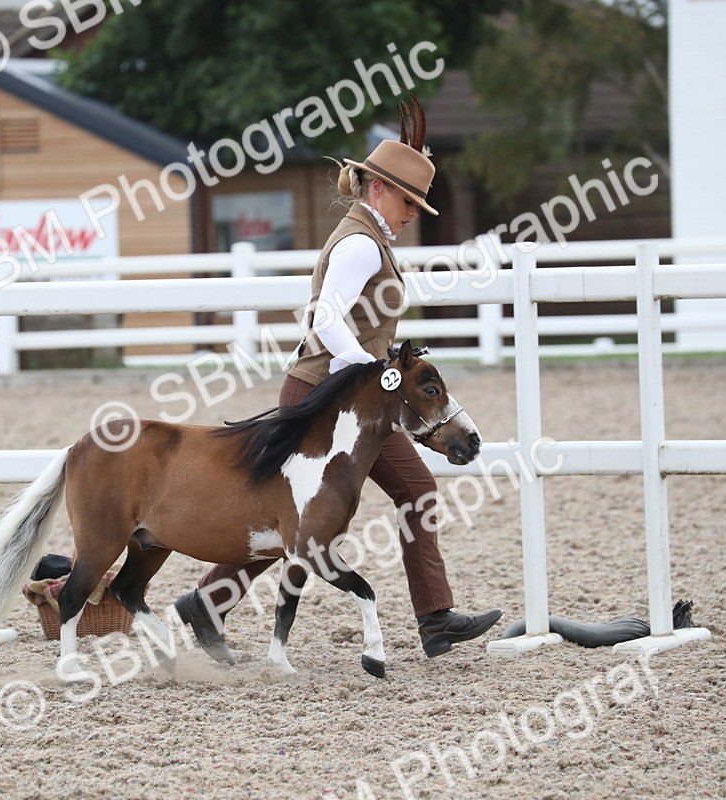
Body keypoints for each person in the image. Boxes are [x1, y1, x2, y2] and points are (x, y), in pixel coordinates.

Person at [175, 100, 501, 662]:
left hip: (352, 401)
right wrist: (369, 369)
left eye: (416, 204)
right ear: (378, 190)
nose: (411, 213)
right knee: (292, 516)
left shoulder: (369, 240)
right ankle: (434, 619)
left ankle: (435, 619)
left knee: (406, 492)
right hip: (323, 397)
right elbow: (326, 317)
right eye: (407, 201)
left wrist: (374, 370)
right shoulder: (358, 244)